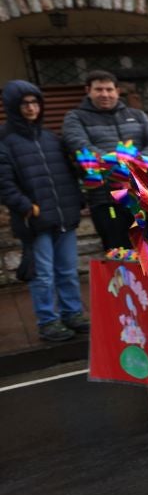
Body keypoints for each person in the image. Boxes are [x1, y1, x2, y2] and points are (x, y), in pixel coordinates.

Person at [0, 80, 87, 342]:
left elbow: (70, 173)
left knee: (68, 270)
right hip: (35, 221)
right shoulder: (5, 141)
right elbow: (4, 183)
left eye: (35, 102)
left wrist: (77, 198)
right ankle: (48, 321)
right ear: (13, 107)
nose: (31, 108)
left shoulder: (51, 138)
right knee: (43, 274)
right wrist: (27, 207)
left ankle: (73, 314)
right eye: (24, 103)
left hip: (63, 216)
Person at [62, 69, 148, 251]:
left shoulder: (137, 115)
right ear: (88, 91)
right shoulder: (75, 118)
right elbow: (81, 147)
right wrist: (120, 164)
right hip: (106, 199)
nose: (105, 94)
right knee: (120, 254)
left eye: (109, 89)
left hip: (143, 196)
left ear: (117, 91)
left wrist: (138, 163)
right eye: (99, 90)